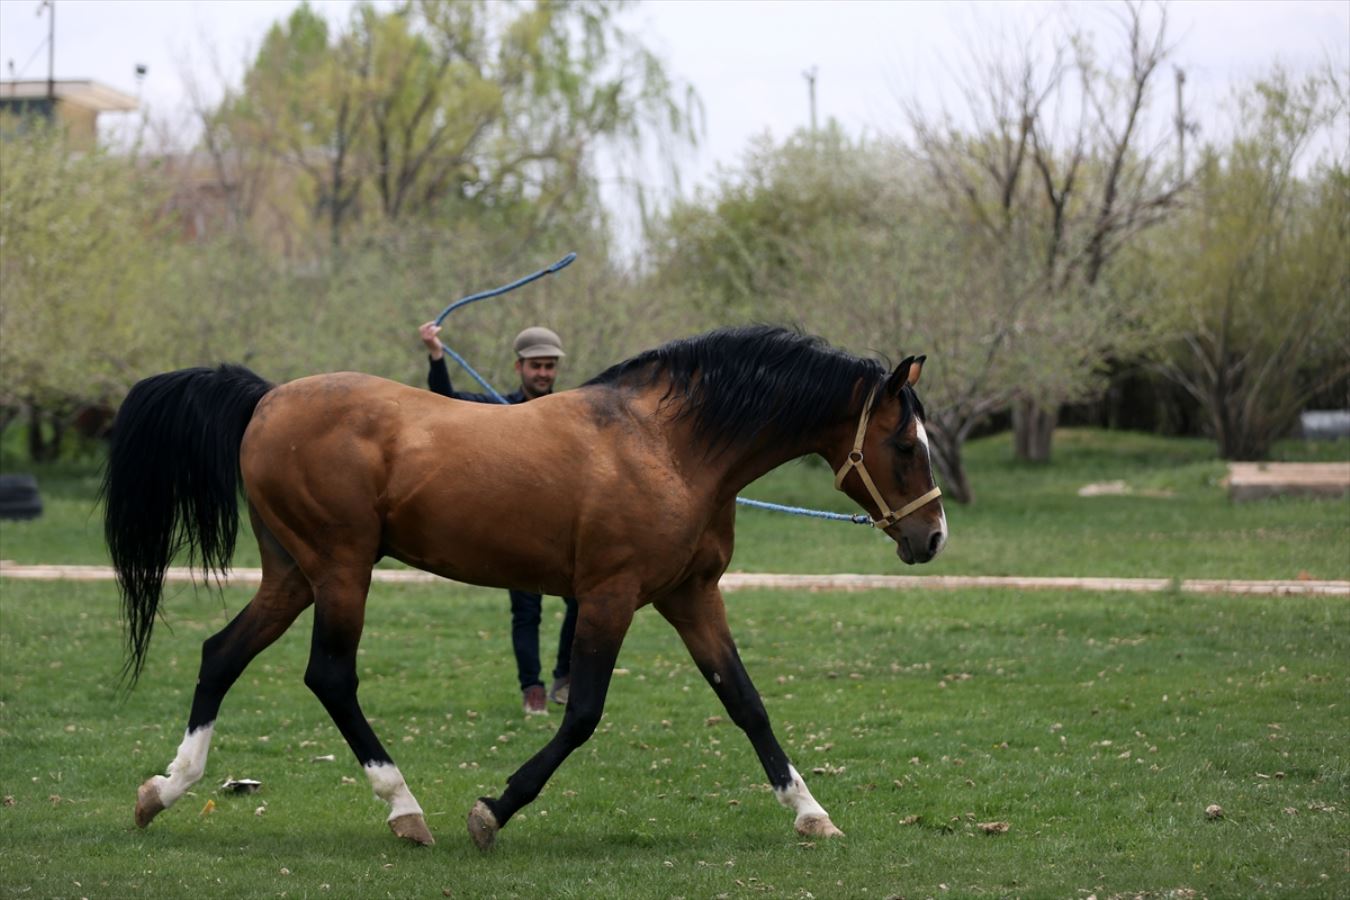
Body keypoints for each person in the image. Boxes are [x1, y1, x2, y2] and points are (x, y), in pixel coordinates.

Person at [418, 321, 579, 715]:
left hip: (565, 531)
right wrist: (436, 354)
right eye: (535, 365)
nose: (543, 373)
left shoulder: (572, 414)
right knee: (526, 612)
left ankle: (566, 676)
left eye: (549, 366)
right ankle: (532, 688)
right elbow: (446, 401)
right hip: (519, 532)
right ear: (519, 367)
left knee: (582, 600)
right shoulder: (495, 407)